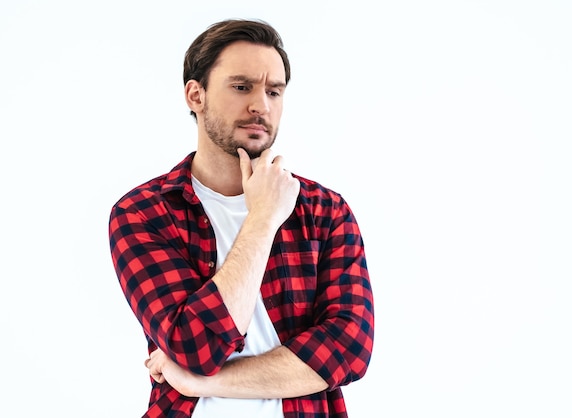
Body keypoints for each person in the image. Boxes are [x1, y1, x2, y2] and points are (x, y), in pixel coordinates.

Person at [108, 18, 374, 418]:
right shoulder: (144, 213)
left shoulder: (324, 211)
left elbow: (348, 349)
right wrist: (263, 219)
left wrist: (204, 382)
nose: (260, 106)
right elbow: (196, 347)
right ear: (195, 95)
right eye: (241, 87)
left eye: (273, 91)